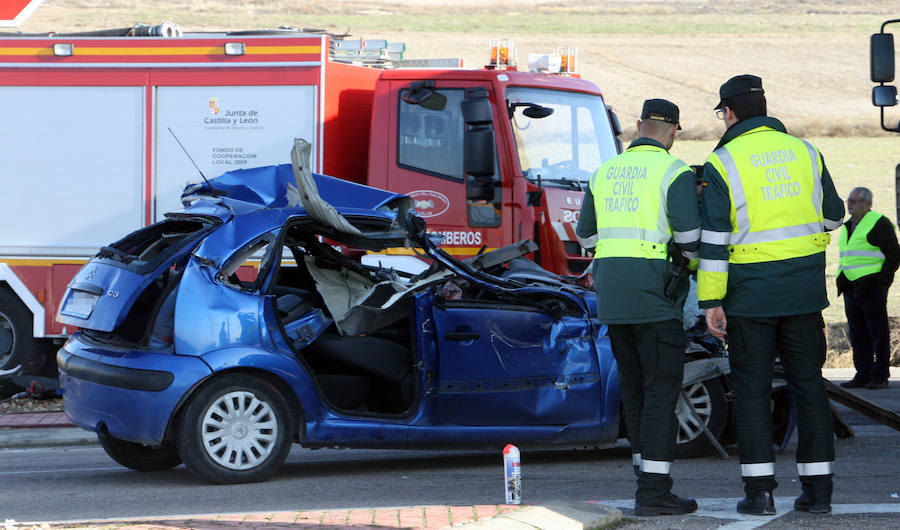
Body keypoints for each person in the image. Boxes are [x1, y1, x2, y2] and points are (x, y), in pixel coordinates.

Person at [697, 74, 845, 516]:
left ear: (728, 112)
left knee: (753, 392)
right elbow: (834, 217)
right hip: (802, 295)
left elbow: (714, 241)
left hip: (748, 299)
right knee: (809, 388)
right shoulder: (806, 152)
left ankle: (759, 493)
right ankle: (819, 495)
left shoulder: (722, 161)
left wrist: (711, 302)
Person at [576, 98, 700, 516]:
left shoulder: (604, 170)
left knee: (634, 392)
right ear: (674, 131)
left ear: (638, 125)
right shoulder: (674, 171)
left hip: (613, 297)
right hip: (656, 296)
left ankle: (643, 481)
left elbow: (587, 236)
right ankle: (653, 493)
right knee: (662, 393)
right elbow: (689, 239)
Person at [837, 187, 900, 390]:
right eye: (849, 200)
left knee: (877, 333)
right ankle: (862, 374)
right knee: (858, 334)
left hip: (871, 287)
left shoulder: (879, 223)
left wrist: (883, 282)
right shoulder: (848, 226)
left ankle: (880, 376)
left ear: (866, 203)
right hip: (850, 287)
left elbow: (893, 254)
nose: (849, 204)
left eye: (853, 201)